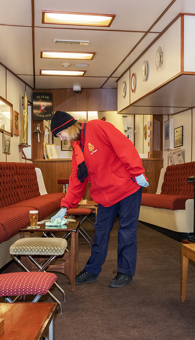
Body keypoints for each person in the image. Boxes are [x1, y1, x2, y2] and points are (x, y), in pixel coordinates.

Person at [50, 111, 149, 288]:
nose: (61, 138)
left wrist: (137, 171)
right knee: (101, 232)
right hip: (105, 195)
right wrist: (65, 207)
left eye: (60, 134)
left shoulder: (98, 127)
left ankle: (125, 272)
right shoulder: (77, 148)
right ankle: (92, 270)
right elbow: (77, 179)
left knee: (126, 231)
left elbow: (124, 146)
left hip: (127, 187)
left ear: (68, 127)